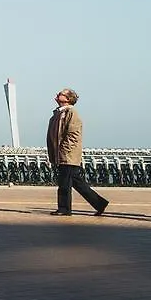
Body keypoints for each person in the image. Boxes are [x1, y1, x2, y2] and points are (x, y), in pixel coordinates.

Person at [46, 88, 109, 217]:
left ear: (68, 99)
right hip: (61, 154)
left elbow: (72, 134)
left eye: (61, 94)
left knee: (64, 182)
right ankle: (99, 203)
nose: (58, 95)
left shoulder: (71, 112)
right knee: (76, 182)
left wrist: (64, 150)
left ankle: (64, 208)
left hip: (67, 155)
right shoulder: (57, 113)